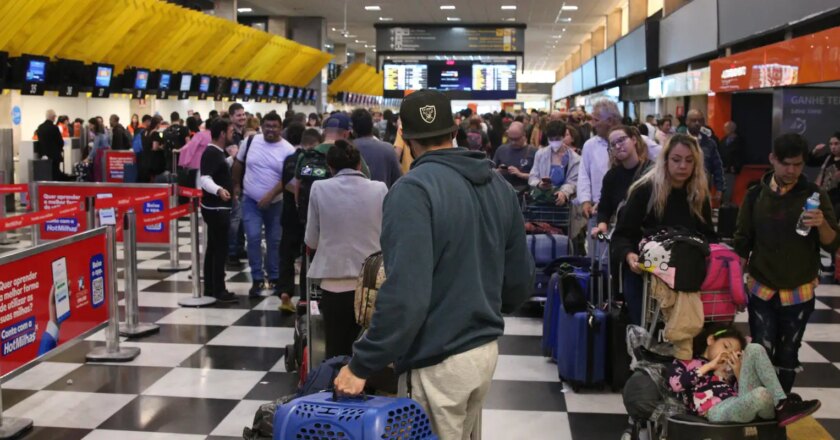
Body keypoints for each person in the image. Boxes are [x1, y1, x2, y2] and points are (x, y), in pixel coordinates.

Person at [333, 90, 534, 439]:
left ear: (405, 137)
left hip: (436, 358)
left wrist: (361, 364)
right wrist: (479, 306)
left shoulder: (412, 191)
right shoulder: (499, 186)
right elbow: (519, 282)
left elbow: (405, 296)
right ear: (454, 130)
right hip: (483, 352)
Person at [733, 133, 840, 393]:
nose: (791, 170)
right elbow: (742, 241)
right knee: (760, 349)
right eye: (786, 164)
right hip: (761, 286)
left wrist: (821, 224)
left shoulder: (814, 194)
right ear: (773, 159)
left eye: (798, 164)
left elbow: (832, 243)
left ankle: (781, 406)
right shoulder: (755, 195)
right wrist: (735, 286)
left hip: (799, 288)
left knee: (788, 353)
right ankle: (759, 405)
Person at [611, 134, 717, 326]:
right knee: (647, 332)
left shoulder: (699, 194)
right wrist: (628, 255)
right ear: (666, 160)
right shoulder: (644, 190)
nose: (683, 166)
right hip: (644, 277)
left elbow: (708, 235)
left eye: (689, 161)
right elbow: (622, 235)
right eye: (676, 160)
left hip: (686, 276)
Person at [305, 140, 388, 357]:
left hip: (334, 283)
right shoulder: (380, 189)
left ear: (330, 166)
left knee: (336, 349)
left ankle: (336, 379)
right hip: (372, 283)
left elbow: (311, 240)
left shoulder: (319, 188)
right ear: (359, 165)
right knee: (370, 350)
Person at [667, 326, 821, 426]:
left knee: (754, 348)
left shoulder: (729, 370)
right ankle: (780, 404)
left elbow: (744, 393)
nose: (728, 354)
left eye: (735, 353)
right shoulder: (687, 362)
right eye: (726, 346)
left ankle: (781, 405)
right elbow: (675, 385)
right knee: (762, 393)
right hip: (715, 411)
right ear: (711, 340)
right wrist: (710, 366)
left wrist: (737, 371)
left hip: (743, 403)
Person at [232, 112, 296, 297]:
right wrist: (236, 185)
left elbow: (287, 178)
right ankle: (257, 278)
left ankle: (274, 276)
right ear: (262, 126)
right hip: (250, 200)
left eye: (274, 126)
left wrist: (270, 195)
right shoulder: (250, 142)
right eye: (267, 126)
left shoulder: (288, 149)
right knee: (252, 237)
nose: (270, 130)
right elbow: (238, 163)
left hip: (276, 203)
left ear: (281, 128)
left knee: (274, 240)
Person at [578, 100, 660, 220]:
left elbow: (664, 159)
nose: (593, 125)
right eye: (613, 144)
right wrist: (585, 201)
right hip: (598, 210)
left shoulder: (641, 141)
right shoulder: (590, 145)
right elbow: (584, 174)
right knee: (600, 230)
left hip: (633, 211)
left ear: (610, 120)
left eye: (596, 120)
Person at [277, 127, 321, 312]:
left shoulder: (289, 159)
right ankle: (305, 297)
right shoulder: (314, 162)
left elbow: (286, 184)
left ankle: (285, 292)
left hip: (288, 214)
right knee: (307, 256)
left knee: (286, 255)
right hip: (307, 216)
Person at [199, 118, 238, 303]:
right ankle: (219, 290)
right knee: (220, 249)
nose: (232, 134)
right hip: (216, 209)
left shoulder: (216, 153)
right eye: (230, 131)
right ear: (222, 133)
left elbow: (219, 169)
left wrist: (231, 159)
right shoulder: (211, 153)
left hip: (215, 208)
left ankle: (210, 287)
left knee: (213, 247)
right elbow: (205, 179)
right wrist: (219, 190)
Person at [590, 125, 652, 239]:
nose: (618, 146)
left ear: (634, 140)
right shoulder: (611, 177)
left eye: (621, 140)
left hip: (650, 234)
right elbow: (604, 208)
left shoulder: (652, 172)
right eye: (613, 144)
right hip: (623, 236)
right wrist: (602, 226)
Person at [528, 120, 580, 207]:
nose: (554, 142)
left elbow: (573, 182)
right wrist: (539, 184)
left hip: (563, 204)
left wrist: (563, 192)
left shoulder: (575, 159)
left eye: (557, 139)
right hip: (540, 200)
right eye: (551, 139)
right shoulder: (540, 154)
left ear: (563, 136)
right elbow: (533, 176)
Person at [350, 109, 403, 188]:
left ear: (353, 129)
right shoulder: (388, 149)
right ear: (372, 125)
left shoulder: (347, 149)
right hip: (384, 194)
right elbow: (397, 180)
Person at [686, 110, 726, 200]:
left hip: (704, 189)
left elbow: (717, 166)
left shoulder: (709, 143)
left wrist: (719, 188)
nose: (697, 123)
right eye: (694, 120)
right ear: (687, 121)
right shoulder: (678, 141)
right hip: (682, 187)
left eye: (700, 121)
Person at [493, 121, 537, 192]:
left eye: (516, 139)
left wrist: (521, 174)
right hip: (503, 191)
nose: (513, 142)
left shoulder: (534, 152)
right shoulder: (501, 150)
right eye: (511, 139)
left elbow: (538, 177)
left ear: (524, 135)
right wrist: (498, 171)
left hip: (524, 192)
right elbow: (490, 172)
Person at [810, 132, 840, 214]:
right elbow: (810, 162)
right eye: (831, 144)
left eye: (836, 144)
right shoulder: (828, 157)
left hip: (836, 201)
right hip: (822, 197)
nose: (833, 147)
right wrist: (815, 151)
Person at [35, 110, 64, 180]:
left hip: (43, 155)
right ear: (53, 117)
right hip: (54, 156)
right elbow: (60, 142)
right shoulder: (54, 128)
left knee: (46, 175)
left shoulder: (40, 127)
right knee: (55, 174)